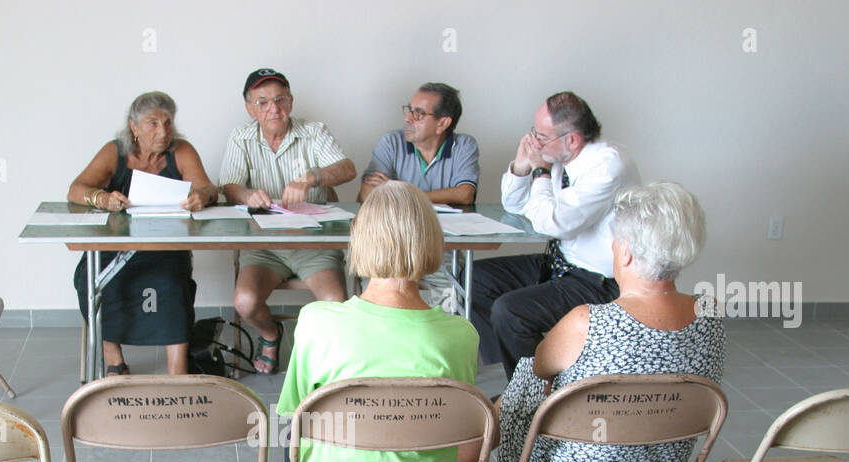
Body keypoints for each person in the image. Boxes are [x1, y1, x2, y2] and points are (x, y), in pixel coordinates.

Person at [492, 182, 725, 462]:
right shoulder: (711, 313)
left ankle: (468, 456)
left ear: (626, 251)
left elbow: (538, 369)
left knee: (527, 376)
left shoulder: (587, 321)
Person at [276, 182, 479, 462]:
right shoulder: (461, 335)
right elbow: (459, 427)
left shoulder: (315, 322)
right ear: (432, 242)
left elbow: (292, 417)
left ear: (360, 241)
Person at [469, 91, 640, 379]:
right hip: (562, 264)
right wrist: (523, 164)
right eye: (534, 132)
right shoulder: (559, 154)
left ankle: (536, 392)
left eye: (542, 136)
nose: (535, 141)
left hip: (600, 280)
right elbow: (514, 204)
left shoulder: (608, 165)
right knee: (477, 279)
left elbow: (552, 223)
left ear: (572, 139)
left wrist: (541, 171)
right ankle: (531, 374)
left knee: (510, 312)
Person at [68, 91, 217, 376]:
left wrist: (201, 195)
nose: (163, 131)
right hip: (116, 246)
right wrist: (101, 199)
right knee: (90, 280)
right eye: (153, 123)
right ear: (133, 127)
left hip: (166, 246)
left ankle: (178, 370)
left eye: (168, 122)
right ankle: (115, 362)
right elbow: (76, 189)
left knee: (173, 285)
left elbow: (207, 187)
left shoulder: (181, 150)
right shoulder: (115, 151)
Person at [220, 69, 357, 373]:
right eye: (263, 102)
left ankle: (322, 360)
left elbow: (348, 169)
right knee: (245, 302)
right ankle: (271, 335)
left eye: (280, 100)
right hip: (264, 244)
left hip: (314, 242)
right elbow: (229, 187)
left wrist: (312, 177)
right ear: (250, 108)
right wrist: (246, 196)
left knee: (336, 305)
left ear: (291, 102)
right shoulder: (241, 136)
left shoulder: (314, 131)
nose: (273, 109)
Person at [359, 82, 479, 311]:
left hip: (440, 246)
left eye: (419, 113)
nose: (408, 118)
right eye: (409, 109)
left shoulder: (464, 146)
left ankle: (436, 342)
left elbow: (464, 193)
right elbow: (367, 193)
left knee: (450, 296)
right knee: (377, 292)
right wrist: (428, 195)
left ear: (443, 123)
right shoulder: (391, 142)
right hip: (392, 243)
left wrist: (397, 189)